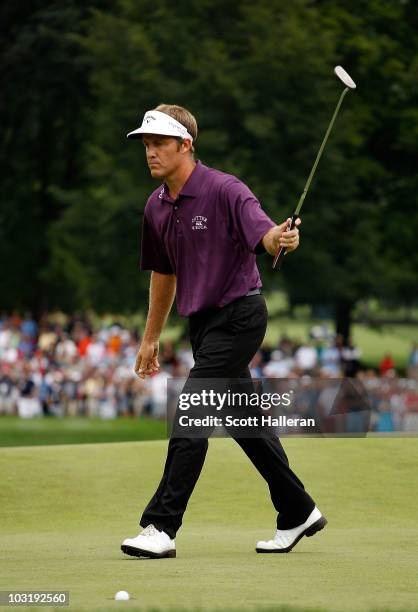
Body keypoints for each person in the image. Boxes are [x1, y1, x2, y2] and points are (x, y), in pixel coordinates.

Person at [121, 104, 326, 559]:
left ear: (185, 145)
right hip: (204, 326)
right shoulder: (156, 206)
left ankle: (161, 526)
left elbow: (264, 234)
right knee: (247, 425)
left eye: (159, 144)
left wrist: (280, 237)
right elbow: (163, 274)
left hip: (240, 317)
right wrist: (150, 337)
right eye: (146, 144)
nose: (150, 152)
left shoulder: (225, 189)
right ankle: (298, 510)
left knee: (191, 411)